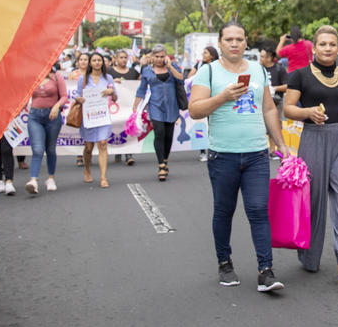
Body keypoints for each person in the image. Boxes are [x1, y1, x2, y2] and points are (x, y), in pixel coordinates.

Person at [189, 22, 291, 293]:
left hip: (257, 154)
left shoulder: (257, 70)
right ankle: (224, 263)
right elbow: (195, 110)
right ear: (220, 43)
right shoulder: (208, 71)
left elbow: (268, 109)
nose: (234, 44)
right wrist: (222, 97)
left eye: (239, 39)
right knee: (224, 211)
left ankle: (266, 271)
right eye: (229, 39)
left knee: (258, 210)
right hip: (222, 155)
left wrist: (281, 144)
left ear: (246, 43)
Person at [284, 25, 338, 285]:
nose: (328, 48)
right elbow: (288, 108)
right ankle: (309, 255)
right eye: (323, 44)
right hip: (314, 138)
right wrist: (307, 112)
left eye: (332, 44)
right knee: (313, 199)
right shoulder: (300, 76)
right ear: (314, 47)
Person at [132, 44, 183, 182]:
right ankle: (161, 164)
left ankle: (165, 159)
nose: (159, 59)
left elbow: (180, 78)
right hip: (155, 106)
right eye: (157, 56)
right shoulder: (147, 70)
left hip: (171, 106)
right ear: (152, 57)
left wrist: (170, 66)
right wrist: (135, 106)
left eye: (162, 56)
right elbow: (142, 89)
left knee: (168, 136)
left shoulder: (172, 67)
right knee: (159, 133)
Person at [72, 51, 116, 187]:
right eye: (94, 60)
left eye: (99, 60)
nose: (97, 63)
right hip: (88, 117)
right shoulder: (83, 79)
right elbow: (77, 95)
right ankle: (87, 169)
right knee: (89, 147)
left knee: (103, 143)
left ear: (103, 62)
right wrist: (78, 99)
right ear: (90, 63)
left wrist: (111, 92)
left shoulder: (108, 78)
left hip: (102, 116)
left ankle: (103, 177)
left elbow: (115, 98)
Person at [25, 65, 68, 196]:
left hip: (52, 116)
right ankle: (33, 180)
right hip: (35, 116)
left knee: (50, 148)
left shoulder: (56, 77)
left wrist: (57, 106)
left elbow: (64, 96)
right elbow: (23, 95)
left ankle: (50, 178)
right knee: (37, 149)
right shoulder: (31, 77)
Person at [111, 50, 140, 166]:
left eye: (125, 57)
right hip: (114, 106)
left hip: (128, 104)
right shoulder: (110, 72)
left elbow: (139, 84)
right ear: (116, 59)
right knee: (116, 127)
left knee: (128, 127)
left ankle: (129, 154)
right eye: (121, 57)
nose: (123, 60)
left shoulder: (133, 72)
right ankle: (117, 150)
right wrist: (112, 82)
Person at [260, 45, 286, 154]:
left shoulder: (279, 69)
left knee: (275, 125)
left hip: (276, 102)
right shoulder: (258, 69)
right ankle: (266, 149)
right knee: (262, 126)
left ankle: (273, 150)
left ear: (269, 58)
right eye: (260, 56)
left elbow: (287, 86)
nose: (260, 59)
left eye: (263, 56)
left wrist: (274, 89)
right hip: (261, 102)